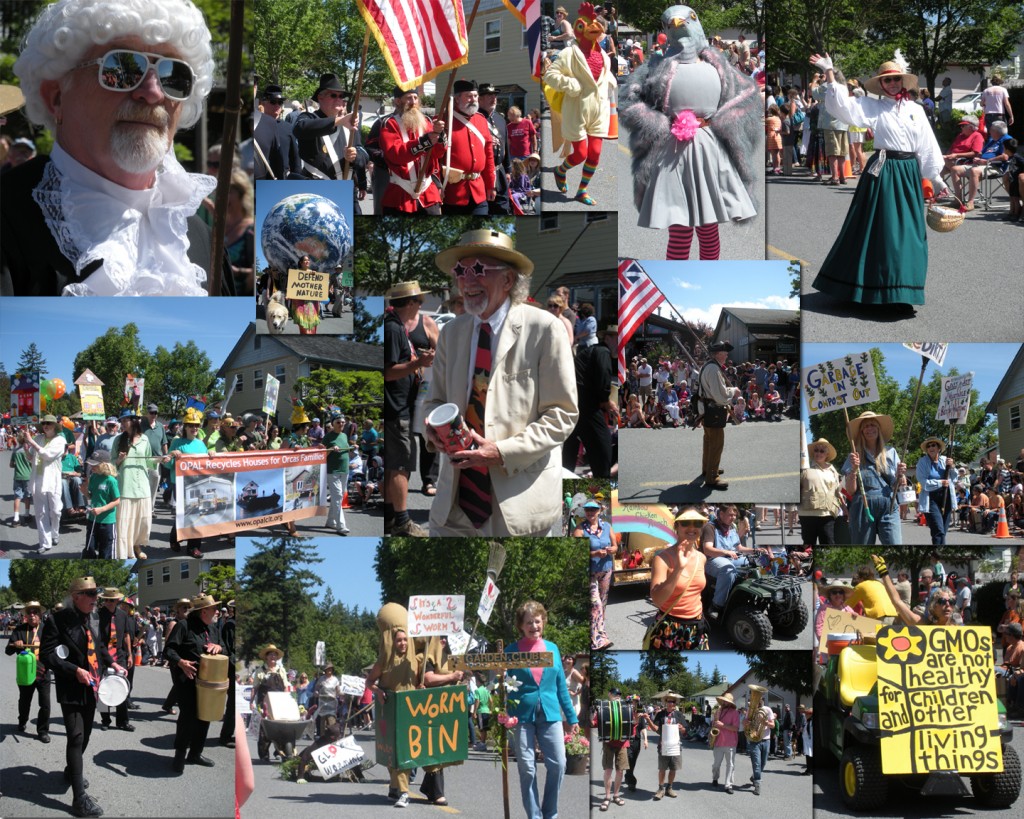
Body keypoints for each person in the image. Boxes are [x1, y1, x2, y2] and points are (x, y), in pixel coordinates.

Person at [2, 0, 236, 296]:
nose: (152, 93)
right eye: (122, 68)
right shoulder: (7, 215)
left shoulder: (198, 236)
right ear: (57, 97)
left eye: (173, 76)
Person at [423, 229, 578, 536]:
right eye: (459, 271)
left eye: (478, 270)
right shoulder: (452, 333)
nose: (466, 281)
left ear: (508, 280)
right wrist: (432, 430)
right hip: (454, 504)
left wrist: (502, 452)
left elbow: (562, 414)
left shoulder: (545, 328)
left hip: (519, 503)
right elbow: (434, 401)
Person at [808, 54, 948, 312]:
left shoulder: (916, 110)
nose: (893, 83)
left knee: (910, 234)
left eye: (896, 79)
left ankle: (900, 290)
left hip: (907, 172)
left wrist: (936, 179)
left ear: (903, 82)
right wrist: (829, 71)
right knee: (881, 231)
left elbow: (927, 145)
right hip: (883, 171)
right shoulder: (871, 106)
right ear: (881, 85)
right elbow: (842, 107)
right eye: (887, 80)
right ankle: (867, 288)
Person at [620, 6, 759, 260]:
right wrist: (656, 123)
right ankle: (675, 275)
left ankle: (709, 276)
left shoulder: (720, 65)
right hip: (671, 152)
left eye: (687, 18)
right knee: (679, 228)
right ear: (665, 30)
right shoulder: (655, 66)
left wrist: (725, 119)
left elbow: (747, 94)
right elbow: (628, 102)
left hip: (709, 148)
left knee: (708, 228)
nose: (678, 23)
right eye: (669, 23)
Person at [41, 576, 124, 818]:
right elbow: (47, 655)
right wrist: (73, 670)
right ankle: (79, 800)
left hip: (92, 685)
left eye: (95, 593)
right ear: (76, 596)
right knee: (76, 737)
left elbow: (98, 648)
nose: (95, 598)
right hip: (70, 687)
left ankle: (71, 771)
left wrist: (113, 664)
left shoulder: (93, 618)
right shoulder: (57, 620)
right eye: (89, 594)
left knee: (85, 735)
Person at [504, 600, 579, 819]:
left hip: (550, 714)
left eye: (537, 621)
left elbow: (560, 689)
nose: (534, 626)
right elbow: (500, 686)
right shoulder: (511, 651)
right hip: (521, 718)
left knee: (559, 764)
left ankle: (550, 813)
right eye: (529, 622)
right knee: (527, 769)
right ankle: (534, 816)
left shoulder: (553, 649)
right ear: (521, 625)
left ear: (543, 622)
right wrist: (504, 711)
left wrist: (572, 718)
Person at [542, 4, 613, 206]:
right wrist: (570, 84)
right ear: (579, 28)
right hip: (577, 110)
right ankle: (560, 170)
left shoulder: (602, 54)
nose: (594, 29)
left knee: (596, 153)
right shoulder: (569, 54)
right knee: (581, 153)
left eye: (596, 26)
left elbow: (603, 78)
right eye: (587, 25)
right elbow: (550, 75)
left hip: (599, 110)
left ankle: (582, 190)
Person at [384, 280, 433, 536]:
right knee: (401, 466)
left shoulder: (395, 326)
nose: (421, 306)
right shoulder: (392, 329)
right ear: (411, 303)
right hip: (396, 408)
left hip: (398, 407)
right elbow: (388, 372)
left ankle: (391, 517)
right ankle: (402, 522)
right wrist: (418, 364)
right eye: (420, 301)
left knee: (394, 465)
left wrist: (415, 361)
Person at [365, 604, 422, 808]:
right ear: (392, 641)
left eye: (406, 639)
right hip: (389, 710)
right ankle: (394, 786)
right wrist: (378, 692)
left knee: (405, 751)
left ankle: (404, 791)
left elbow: (418, 680)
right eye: (399, 640)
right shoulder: (384, 661)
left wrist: (420, 685)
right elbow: (369, 682)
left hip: (409, 710)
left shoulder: (414, 661)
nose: (403, 643)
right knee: (391, 751)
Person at [164, 593, 224, 772]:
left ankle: (195, 753)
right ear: (204, 611)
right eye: (214, 608)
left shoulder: (213, 629)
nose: (217, 611)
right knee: (188, 717)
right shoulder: (184, 626)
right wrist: (181, 662)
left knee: (205, 716)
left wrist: (219, 647)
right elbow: (168, 650)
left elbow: (224, 647)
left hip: (208, 680)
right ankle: (180, 755)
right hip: (187, 679)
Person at [842, 411, 905, 544]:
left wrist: (901, 476)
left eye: (872, 425)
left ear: (878, 429)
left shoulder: (890, 452)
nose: (869, 429)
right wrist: (854, 469)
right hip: (862, 506)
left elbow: (898, 484)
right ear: (861, 431)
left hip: (889, 504)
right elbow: (851, 491)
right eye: (865, 426)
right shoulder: (854, 456)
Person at [649, 508, 709, 650]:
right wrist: (678, 569)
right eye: (686, 522)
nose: (692, 527)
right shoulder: (662, 559)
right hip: (669, 628)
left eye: (697, 523)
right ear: (676, 526)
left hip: (697, 626)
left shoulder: (702, 558)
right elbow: (657, 600)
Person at [380, 87, 445, 214]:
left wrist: (440, 136)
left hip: (428, 192)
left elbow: (438, 154)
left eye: (415, 98)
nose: (413, 101)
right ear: (398, 101)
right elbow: (396, 154)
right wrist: (425, 142)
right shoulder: (389, 123)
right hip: (400, 192)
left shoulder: (427, 122)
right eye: (409, 98)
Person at [292, 74, 365, 181]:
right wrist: (338, 121)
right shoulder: (309, 117)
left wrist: (355, 156)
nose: (338, 99)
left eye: (341, 96)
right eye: (333, 95)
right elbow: (300, 129)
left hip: (344, 187)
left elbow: (364, 154)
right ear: (320, 97)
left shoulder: (349, 123)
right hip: (315, 186)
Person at [440, 80, 495, 215]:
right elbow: (435, 158)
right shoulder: (443, 120)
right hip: (452, 192)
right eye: (469, 96)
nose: (473, 100)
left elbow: (489, 156)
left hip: (478, 191)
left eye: (475, 96)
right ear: (457, 98)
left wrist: (490, 186)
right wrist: (437, 187)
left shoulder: (481, 120)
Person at [700, 505, 761, 617]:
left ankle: (746, 594)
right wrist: (726, 552)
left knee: (754, 563)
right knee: (728, 569)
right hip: (712, 560)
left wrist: (755, 550)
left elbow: (739, 548)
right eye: (730, 515)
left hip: (730, 558)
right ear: (721, 514)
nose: (733, 517)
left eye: (734, 515)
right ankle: (716, 605)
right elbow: (707, 549)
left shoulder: (732, 528)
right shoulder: (710, 527)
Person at [165, 407, 208, 558]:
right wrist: (172, 455)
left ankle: (194, 547)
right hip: (181, 484)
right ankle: (174, 538)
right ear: (186, 427)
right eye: (191, 425)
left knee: (199, 514)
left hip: (199, 484)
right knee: (184, 514)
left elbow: (207, 465)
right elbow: (167, 464)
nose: (194, 428)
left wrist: (212, 455)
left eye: (197, 425)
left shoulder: (201, 444)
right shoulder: (177, 442)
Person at [112, 410, 155, 560]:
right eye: (121, 421)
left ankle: (137, 546)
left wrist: (162, 459)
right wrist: (118, 460)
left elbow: (149, 461)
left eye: (125, 420)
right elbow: (111, 465)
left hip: (142, 487)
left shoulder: (144, 440)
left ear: (134, 421)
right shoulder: (118, 440)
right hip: (125, 487)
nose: (123, 423)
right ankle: (126, 551)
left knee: (141, 522)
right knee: (124, 524)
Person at [6, 600, 51, 744]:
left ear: (40, 614)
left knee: (45, 704)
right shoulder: (19, 630)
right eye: (29, 612)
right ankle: (22, 721)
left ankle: (43, 731)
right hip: (26, 674)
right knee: (25, 701)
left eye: (35, 612)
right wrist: (16, 645)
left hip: (43, 673)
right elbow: (7, 651)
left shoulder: (47, 629)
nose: (32, 615)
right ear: (26, 615)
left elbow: (55, 650)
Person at [873, 554, 962, 626]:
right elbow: (897, 601)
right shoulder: (923, 625)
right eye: (942, 601)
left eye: (951, 602)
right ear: (933, 606)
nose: (947, 605)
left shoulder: (960, 628)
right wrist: (883, 572)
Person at [697, 341, 739, 490]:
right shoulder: (713, 369)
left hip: (708, 410)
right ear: (717, 354)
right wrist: (733, 391)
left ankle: (707, 469)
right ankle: (712, 477)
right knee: (716, 444)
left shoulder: (709, 366)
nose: (727, 354)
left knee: (709, 442)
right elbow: (720, 396)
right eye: (724, 352)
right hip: (713, 411)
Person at [23, 415, 66, 553]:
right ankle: (45, 543)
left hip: (53, 479)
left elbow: (47, 455)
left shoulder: (60, 440)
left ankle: (55, 533)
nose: (46, 425)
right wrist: (26, 448)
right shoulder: (38, 438)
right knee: (40, 513)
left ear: (55, 426)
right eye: (44, 423)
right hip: (38, 479)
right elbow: (31, 457)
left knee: (55, 511)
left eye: (49, 423)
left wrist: (32, 443)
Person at [578, 499, 616, 650]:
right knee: (596, 604)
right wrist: (594, 553)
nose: (590, 512)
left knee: (603, 605)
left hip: (606, 570)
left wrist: (613, 549)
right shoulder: (580, 529)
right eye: (588, 510)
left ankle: (600, 633)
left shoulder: (607, 526)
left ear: (599, 511)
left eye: (593, 509)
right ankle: (597, 641)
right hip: (590, 572)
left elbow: (615, 545)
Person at [97, 588, 134, 731]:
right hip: (102, 656)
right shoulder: (97, 616)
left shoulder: (123, 615)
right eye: (106, 599)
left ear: (117, 600)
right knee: (102, 690)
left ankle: (123, 721)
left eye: (111, 600)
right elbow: (96, 640)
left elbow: (126, 635)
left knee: (121, 688)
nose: (108, 602)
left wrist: (130, 654)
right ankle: (105, 720)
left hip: (119, 656)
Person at [799, 437, 843, 544]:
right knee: (809, 545)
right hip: (807, 514)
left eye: (822, 451)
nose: (818, 453)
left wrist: (845, 509)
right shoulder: (804, 468)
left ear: (827, 454)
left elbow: (838, 492)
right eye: (816, 450)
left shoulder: (833, 471)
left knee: (828, 543)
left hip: (828, 514)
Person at [253, 84, 301, 181]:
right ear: (263, 103)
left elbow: (295, 159)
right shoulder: (256, 125)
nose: (277, 106)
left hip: (282, 180)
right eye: (273, 102)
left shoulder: (288, 127)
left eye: (280, 102)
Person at [916, 435, 956, 544]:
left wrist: (952, 467)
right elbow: (923, 482)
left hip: (946, 496)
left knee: (943, 530)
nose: (931, 447)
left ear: (938, 448)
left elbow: (954, 478)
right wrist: (940, 482)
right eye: (928, 446)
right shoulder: (922, 462)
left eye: (933, 445)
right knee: (938, 530)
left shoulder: (945, 460)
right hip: (931, 498)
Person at [649, 693, 686, 799]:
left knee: (673, 768)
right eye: (669, 701)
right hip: (663, 745)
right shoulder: (660, 714)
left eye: (673, 702)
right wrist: (648, 720)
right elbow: (655, 728)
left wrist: (681, 728)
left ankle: (669, 788)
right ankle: (661, 789)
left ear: (675, 703)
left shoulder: (679, 715)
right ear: (666, 703)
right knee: (662, 768)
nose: (671, 704)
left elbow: (684, 731)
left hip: (676, 746)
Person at [598, 688, 629, 811]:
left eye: (619, 694)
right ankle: (607, 797)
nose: (618, 696)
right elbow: (595, 723)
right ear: (609, 694)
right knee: (608, 771)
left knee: (620, 771)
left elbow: (632, 724)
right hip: (608, 743)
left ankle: (616, 795)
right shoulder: (604, 707)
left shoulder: (626, 708)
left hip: (622, 743)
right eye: (615, 694)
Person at [323, 413, 351, 535]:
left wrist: (353, 447)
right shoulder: (328, 437)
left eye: (343, 422)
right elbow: (322, 455)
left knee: (337, 497)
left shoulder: (344, 435)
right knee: (338, 496)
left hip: (344, 470)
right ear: (333, 424)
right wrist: (331, 449)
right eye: (338, 422)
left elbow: (346, 448)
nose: (341, 424)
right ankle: (341, 526)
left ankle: (330, 521)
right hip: (332, 471)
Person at [710, 691, 740, 792]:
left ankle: (728, 785)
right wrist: (714, 724)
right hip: (718, 742)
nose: (724, 703)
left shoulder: (735, 713)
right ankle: (715, 778)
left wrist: (722, 725)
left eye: (726, 701)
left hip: (731, 743)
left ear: (730, 703)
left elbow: (736, 728)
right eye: (723, 701)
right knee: (716, 764)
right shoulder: (718, 711)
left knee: (730, 765)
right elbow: (714, 725)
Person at [746, 690, 775, 796]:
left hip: (766, 740)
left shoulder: (767, 709)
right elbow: (745, 723)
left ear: (762, 699)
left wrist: (765, 722)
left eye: (759, 698)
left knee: (763, 763)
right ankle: (757, 783)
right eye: (755, 698)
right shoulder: (750, 710)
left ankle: (754, 777)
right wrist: (747, 723)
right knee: (757, 763)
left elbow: (773, 725)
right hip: (754, 741)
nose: (757, 700)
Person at [8, 429, 34, 526]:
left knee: (17, 496)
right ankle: (26, 514)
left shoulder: (16, 451)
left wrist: (17, 465)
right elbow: (32, 464)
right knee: (27, 496)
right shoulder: (29, 451)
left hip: (18, 476)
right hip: (28, 476)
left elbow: (11, 465)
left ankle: (16, 517)